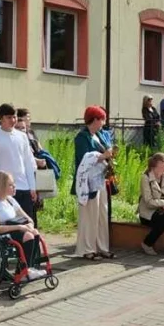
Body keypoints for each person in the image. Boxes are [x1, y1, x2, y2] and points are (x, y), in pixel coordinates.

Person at [0, 171, 46, 279]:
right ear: (1, 186)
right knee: (28, 236)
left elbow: (27, 217)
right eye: (11, 185)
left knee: (35, 232)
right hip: (1, 233)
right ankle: (25, 270)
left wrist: (30, 224)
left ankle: (27, 268)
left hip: (14, 228)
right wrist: (19, 227)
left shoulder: (10, 200)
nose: (14, 187)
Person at [0, 104, 39, 227]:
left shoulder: (22, 137)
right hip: (4, 190)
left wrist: (32, 187)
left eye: (14, 117)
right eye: (9, 117)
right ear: (1, 118)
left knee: (28, 223)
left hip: (23, 186)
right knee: (11, 224)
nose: (13, 120)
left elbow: (28, 162)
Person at [73, 106, 114, 260]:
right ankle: (87, 249)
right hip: (88, 182)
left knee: (102, 213)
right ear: (94, 119)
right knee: (89, 215)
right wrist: (103, 156)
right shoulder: (81, 137)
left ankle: (102, 247)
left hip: (101, 179)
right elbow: (84, 159)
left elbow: (106, 151)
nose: (103, 123)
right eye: (101, 119)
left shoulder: (99, 135)